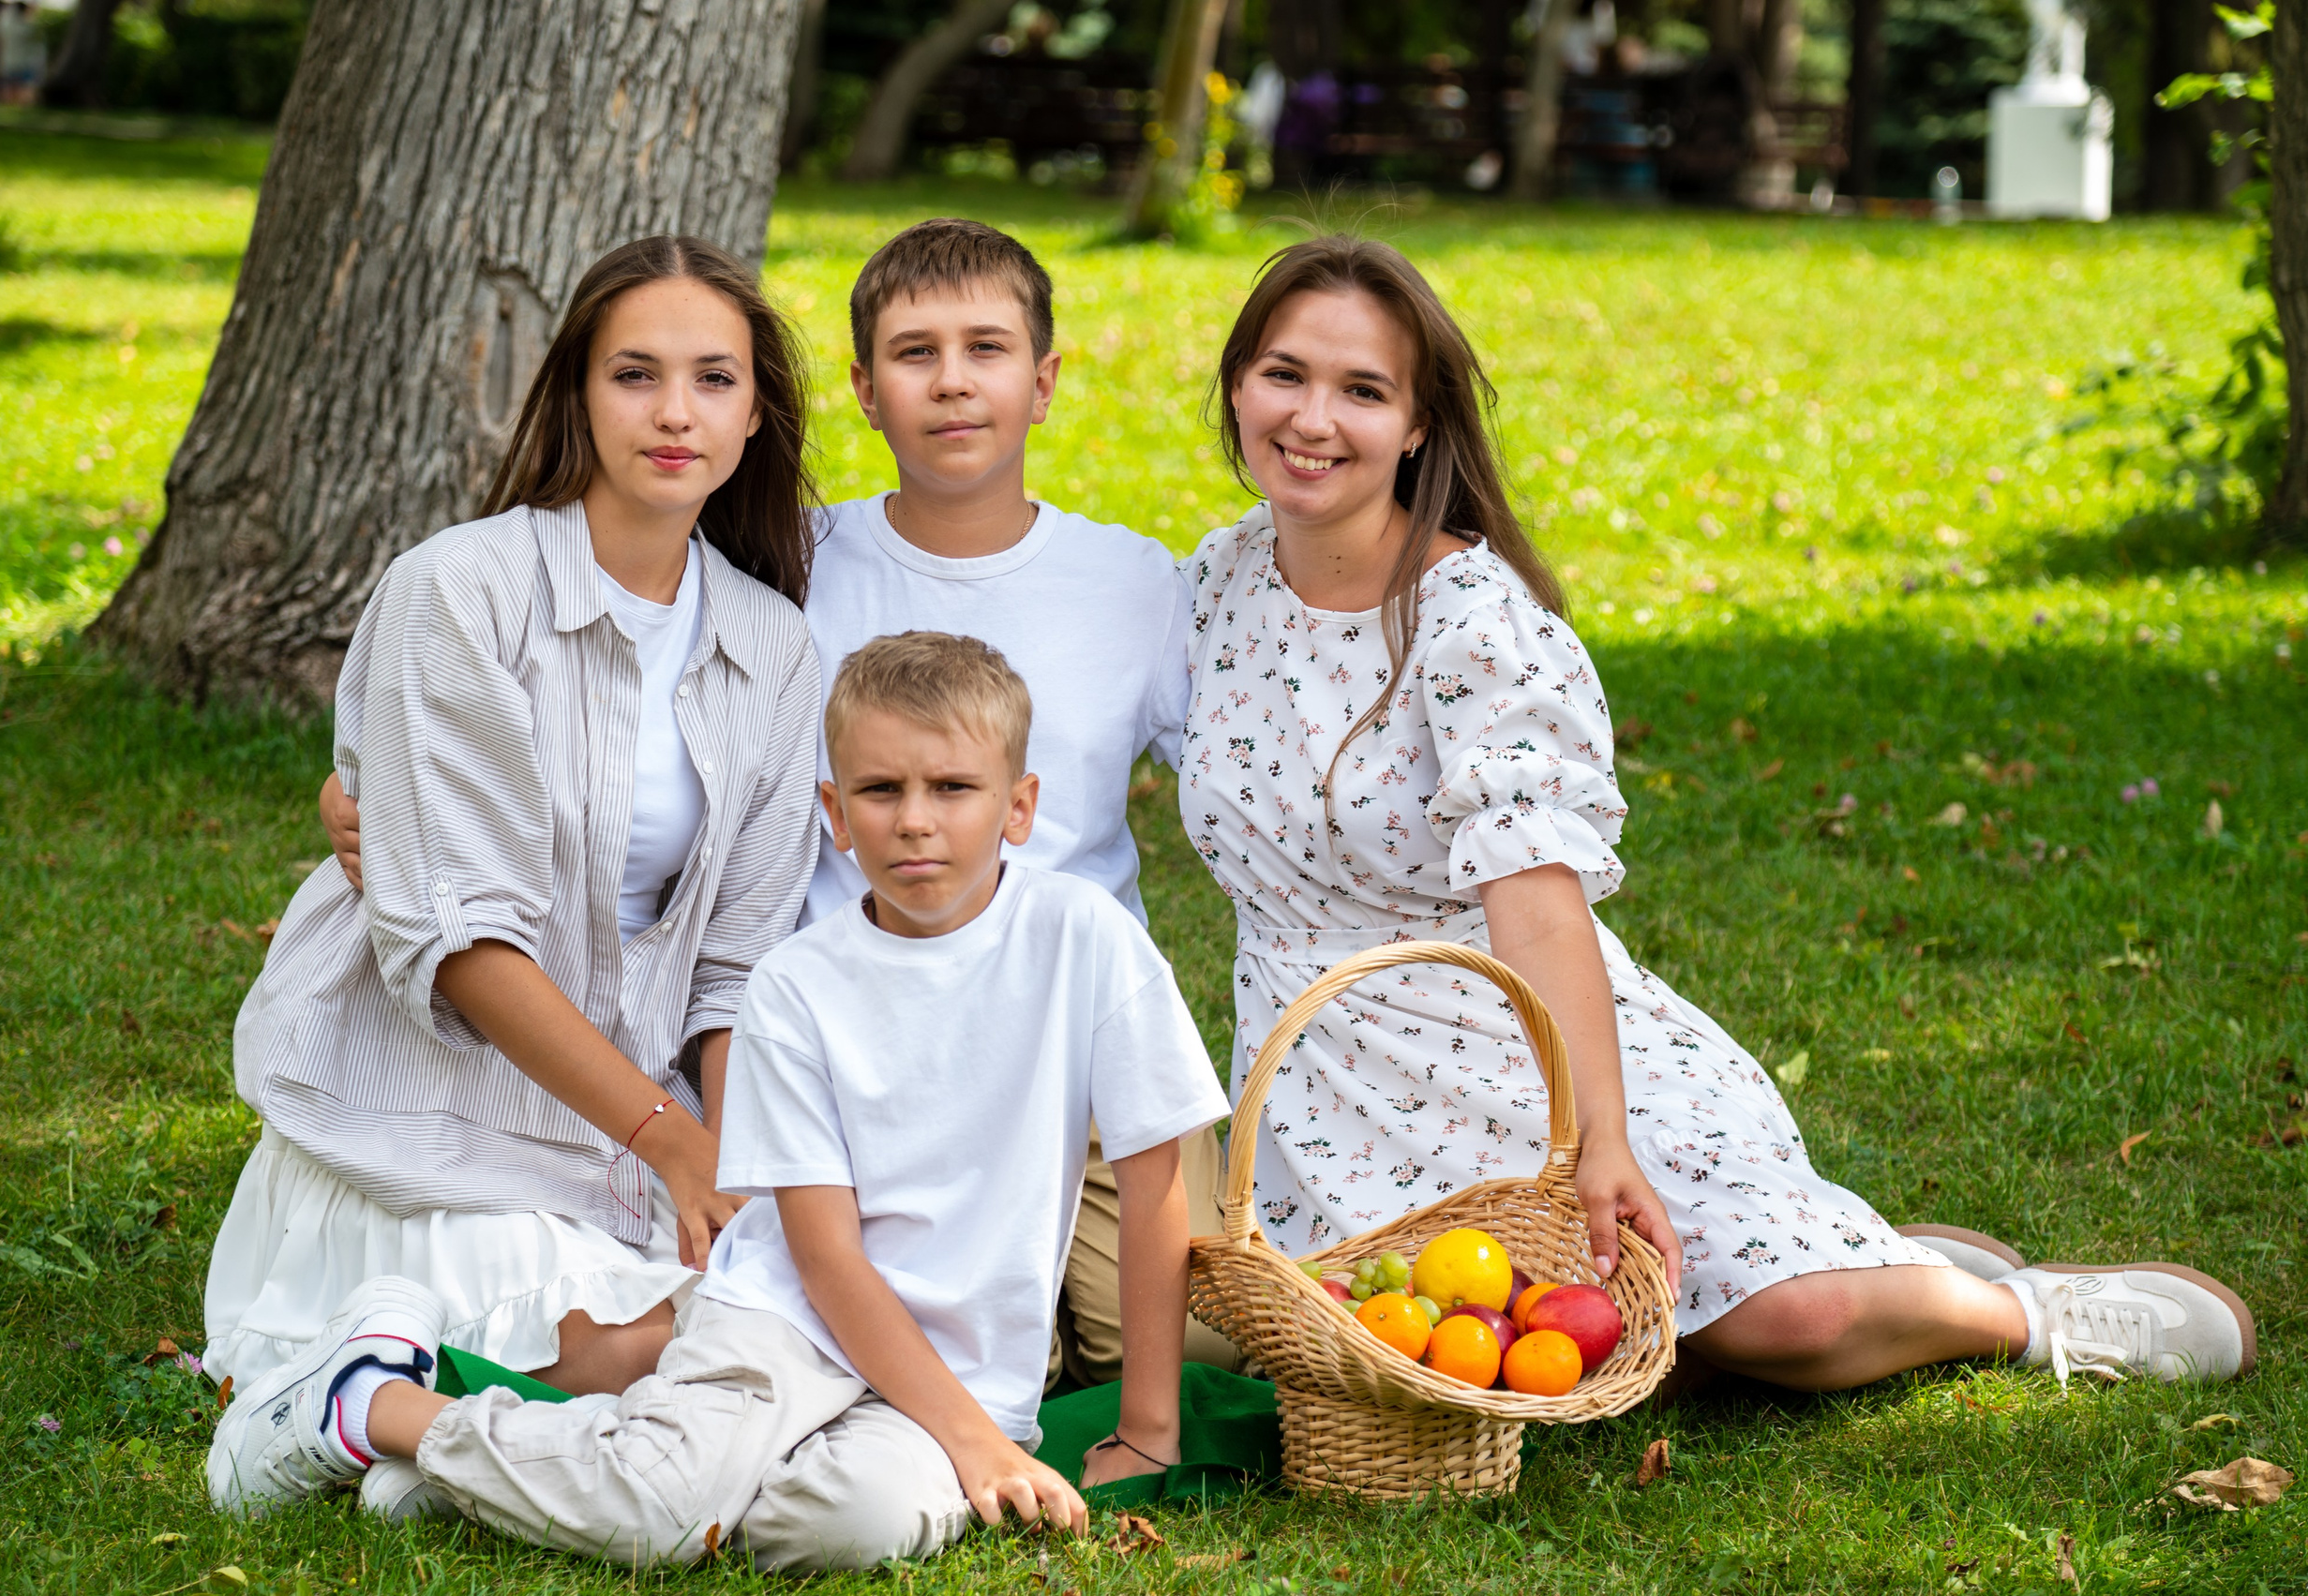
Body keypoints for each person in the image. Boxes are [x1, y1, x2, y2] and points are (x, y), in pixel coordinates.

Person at [1177, 233, 2255, 1391]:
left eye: (1362, 390)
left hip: (1508, 1042)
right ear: (1237, 385)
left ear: (1418, 423)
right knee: (1468, 1361)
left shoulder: (1473, 628)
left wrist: (1596, 1139)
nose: (1312, 418)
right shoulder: (1215, 584)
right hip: (1318, 1085)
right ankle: (1859, 1258)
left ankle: (2018, 1310)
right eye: (1283, 374)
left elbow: (1539, 909)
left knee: (1781, 1323)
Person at [322, 217, 1229, 1388]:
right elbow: (619, 699)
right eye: (915, 353)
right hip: (868, 1041)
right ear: (862, 389)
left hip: (1073, 1034)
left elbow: (1252, 784)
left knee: (1197, 1346)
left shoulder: (1138, 584)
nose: (953, 382)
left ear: (1045, 380)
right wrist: (367, 793)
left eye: (987, 349)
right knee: (930, 1343)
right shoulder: (791, 570)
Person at [209, 634, 1229, 1572]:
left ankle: (535, 1470)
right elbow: (824, 1258)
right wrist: (972, 1443)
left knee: (849, 1526)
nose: (916, 819)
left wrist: (1146, 1429)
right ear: (835, 814)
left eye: (953, 787)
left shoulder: (1087, 941)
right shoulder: (797, 987)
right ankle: (371, 1405)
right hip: (790, 1320)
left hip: (968, 1365)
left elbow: (1155, 1186)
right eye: (881, 789)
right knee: (665, 1516)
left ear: (1019, 805)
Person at [199, 236, 826, 1464]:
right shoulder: (458, 590)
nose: (675, 413)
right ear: (577, 394)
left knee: (769, 1334)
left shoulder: (773, 644)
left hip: (632, 1127)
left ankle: (406, 1439)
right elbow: (460, 942)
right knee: (659, 1354)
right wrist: (673, 1138)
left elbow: (736, 964)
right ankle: (360, 1396)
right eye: (635, 374)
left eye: (713, 379)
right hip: (430, 1115)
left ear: (755, 413)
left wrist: (736, 1167)